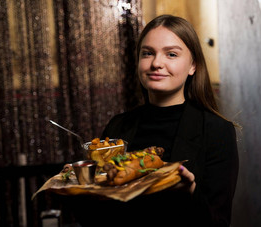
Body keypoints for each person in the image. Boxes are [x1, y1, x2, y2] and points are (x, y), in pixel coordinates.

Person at [100, 15, 239, 226]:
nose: (156, 63)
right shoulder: (117, 126)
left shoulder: (217, 131)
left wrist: (190, 191)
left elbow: (218, 222)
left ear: (193, 66)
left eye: (171, 54)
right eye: (147, 53)